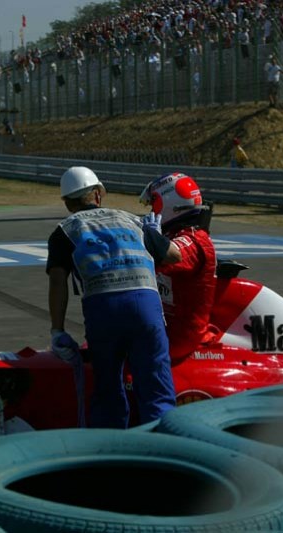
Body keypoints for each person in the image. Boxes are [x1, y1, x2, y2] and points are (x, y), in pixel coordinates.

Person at [46, 166, 178, 429]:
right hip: (145, 305)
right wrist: (154, 237)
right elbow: (175, 256)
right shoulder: (132, 220)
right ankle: (167, 454)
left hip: (103, 308)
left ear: (68, 203)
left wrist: (57, 330)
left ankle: (111, 455)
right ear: (97, 194)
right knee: (157, 389)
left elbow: (58, 282)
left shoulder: (64, 231)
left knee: (107, 391)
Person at [139, 173, 218, 362]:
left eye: (154, 203)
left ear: (167, 203)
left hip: (180, 336)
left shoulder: (195, 240)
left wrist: (152, 237)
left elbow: (170, 254)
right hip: (166, 325)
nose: (151, 209)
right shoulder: (176, 234)